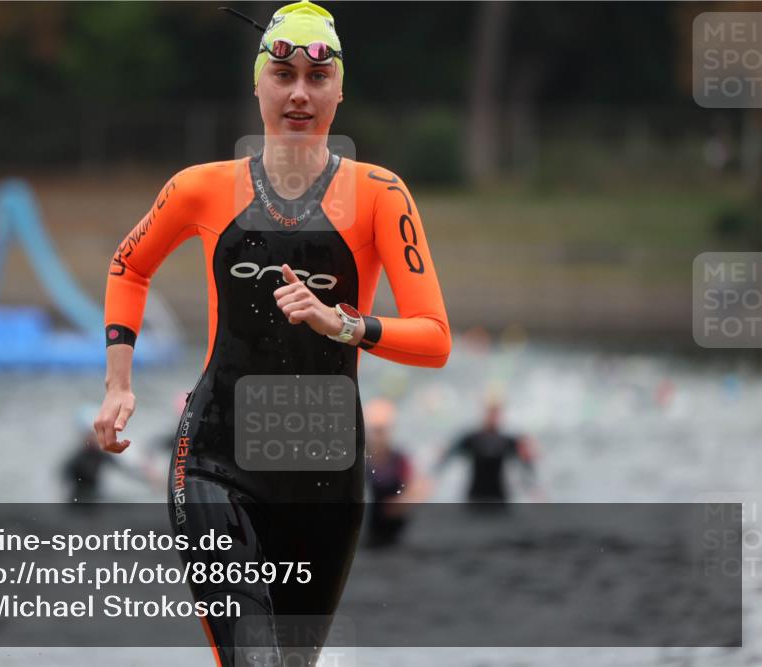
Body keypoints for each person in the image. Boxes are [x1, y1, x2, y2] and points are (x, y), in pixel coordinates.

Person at [94, 2, 450, 664]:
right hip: (213, 459)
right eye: (281, 74)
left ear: (340, 90)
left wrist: (342, 322)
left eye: (317, 79)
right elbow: (128, 265)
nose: (298, 93)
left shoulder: (381, 195)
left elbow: (435, 338)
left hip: (325, 476)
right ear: (257, 84)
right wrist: (118, 382)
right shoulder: (200, 189)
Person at [433, 397, 541, 505]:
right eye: (490, 412)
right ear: (484, 413)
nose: (493, 417)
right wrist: (432, 476)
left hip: (499, 497)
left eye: (496, 413)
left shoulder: (508, 441)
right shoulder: (472, 438)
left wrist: (533, 489)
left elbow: (526, 466)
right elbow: (447, 456)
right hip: (475, 497)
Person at [363, 398, 431, 549]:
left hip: (397, 534)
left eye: (383, 430)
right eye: (375, 430)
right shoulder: (359, 459)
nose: (378, 437)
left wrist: (400, 503)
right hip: (369, 533)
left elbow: (422, 486)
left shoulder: (399, 459)